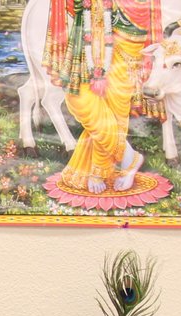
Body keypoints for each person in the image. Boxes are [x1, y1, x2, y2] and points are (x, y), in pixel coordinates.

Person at [43, 0, 155, 196]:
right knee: (79, 99)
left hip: (127, 25)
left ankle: (100, 168)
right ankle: (129, 156)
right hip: (86, 31)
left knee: (115, 107)